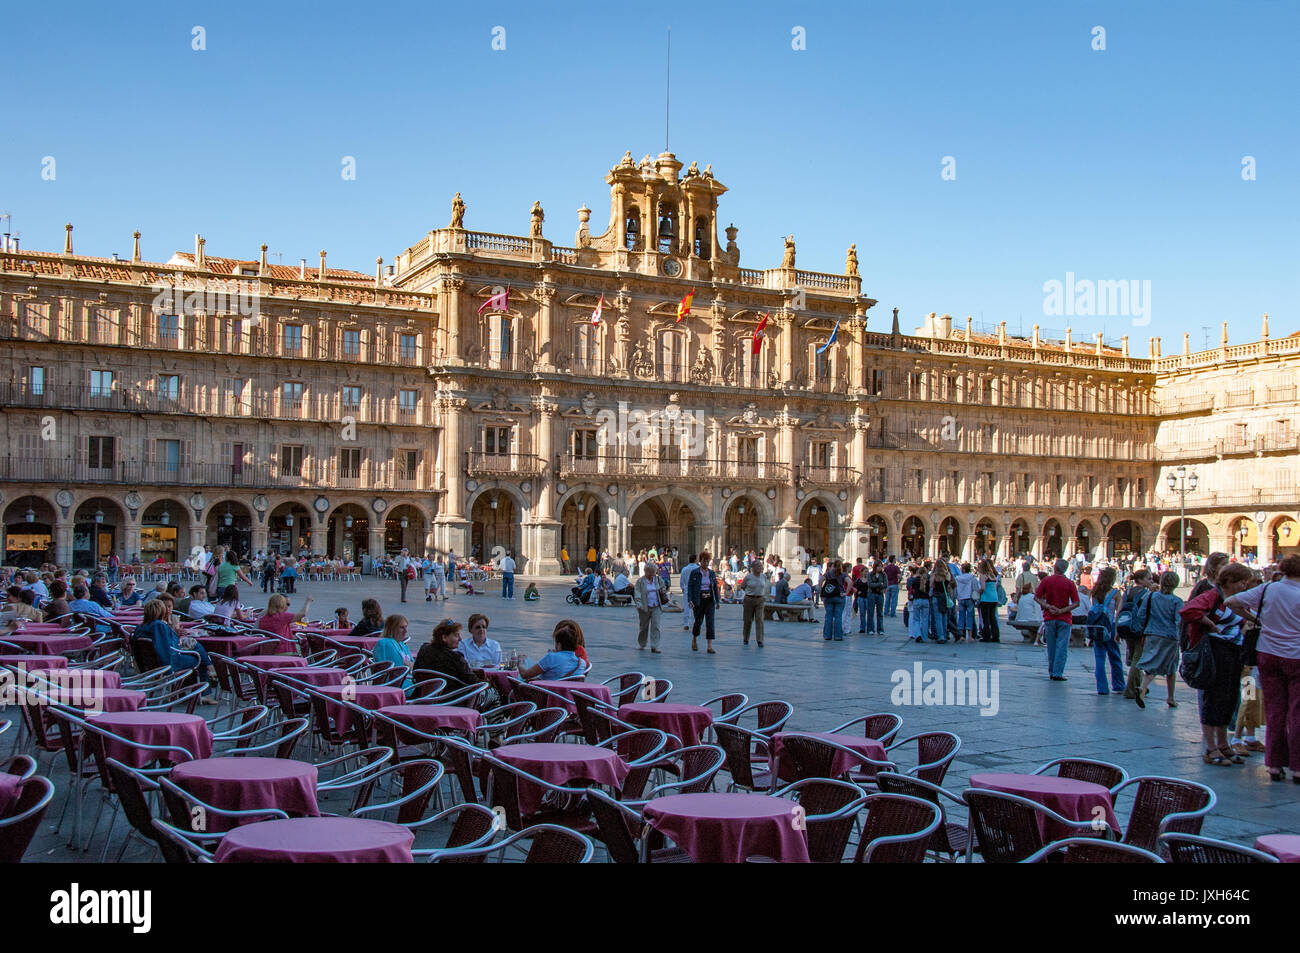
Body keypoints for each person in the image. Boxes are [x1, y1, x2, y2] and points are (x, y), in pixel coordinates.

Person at [1227, 555, 1300, 780]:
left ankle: (1274, 765)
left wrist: (1255, 618)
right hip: (1296, 655)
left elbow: (1231, 602)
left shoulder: (1269, 589)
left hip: (1267, 653)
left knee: (1275, 709)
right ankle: (1297, 767)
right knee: (1296, 711)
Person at [1182, 563, 1255, 767]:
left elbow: (1243, 616)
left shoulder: (1237, 600)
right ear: (1229, 581)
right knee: (1213, 697)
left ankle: (1224, 744)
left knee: (1230, 697)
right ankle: (1211, 747)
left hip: (1234, 651)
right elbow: (1188, 611)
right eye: (1241, 581)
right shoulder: (1213, 596)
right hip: (1215, 651)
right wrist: (1210, 624)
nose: (1244, 585)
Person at [134, 598, 216, 702]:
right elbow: (166, 648)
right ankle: (205, 692)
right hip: (168, 662)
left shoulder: (141, 627)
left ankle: (183, 691)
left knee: (193, 647)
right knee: (197, 658)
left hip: (151, 663)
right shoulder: (159, 625)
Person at [1133, 572, 1184, 709]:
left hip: (1151, 633)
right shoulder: (1177, 601)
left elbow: (1141, 614)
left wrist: (1147, 625)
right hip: (1170, 636)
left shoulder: (1151, 596)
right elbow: (1179, 621)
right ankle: (1169, 697)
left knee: (1152, 662)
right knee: (1170, 666)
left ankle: (1144, 689)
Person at [1036, 559, 1080, 681]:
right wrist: (1062, 610)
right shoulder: (1070, 583)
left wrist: (1048, 606)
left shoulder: (1046, 580)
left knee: (1051, 646)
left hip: (1049, 616)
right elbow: (1076, 603)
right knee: (1062, 646)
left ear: (1054, 567)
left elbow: (1037, 597)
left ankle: (1052, 671)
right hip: (1064, 617)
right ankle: (1058, 672)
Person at [1087, 567, 1125, 695]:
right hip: (1110, 627)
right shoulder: (1115, 593)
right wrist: (1118, 631)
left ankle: (1102, 687)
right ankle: (1118, 684)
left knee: (1099, 658)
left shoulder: (1095, 592)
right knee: (1115, 657)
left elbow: (1094, 608)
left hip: (1097, 627)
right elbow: (1118, 612)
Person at [415, 619, 482, 686]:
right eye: (456, 635)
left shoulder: (424, 649)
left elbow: (415, 673)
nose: (460, 639)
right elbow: (474, 682)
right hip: (454, 695)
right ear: (444, 637)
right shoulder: (455, 657)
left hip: (425, 694)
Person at [519, 620, 589, 681]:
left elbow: (525, 675)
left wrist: (519, 662)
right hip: (567, 693)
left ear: (559, 644)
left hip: (545, 693)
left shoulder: (551, 657)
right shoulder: (582, 663)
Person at [373, 614, 415, 693]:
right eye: (402, 628)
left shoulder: (403, 645)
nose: (406, 631)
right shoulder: (384, 643)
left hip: (408, 682)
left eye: (406, 627)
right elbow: (382, 670)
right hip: (396, 685)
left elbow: (413, 666)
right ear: (392, 629)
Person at [688, 551, 720, 653]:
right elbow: (690, 586)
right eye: (703, 561)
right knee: (698, 621)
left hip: (709, 599)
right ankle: (694, 639)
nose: (705, 563)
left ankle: (709, 646)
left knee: (710, 622)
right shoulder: (695, 572)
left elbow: (715, 587)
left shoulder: (711, 573)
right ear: (700, 561)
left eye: (707, 561)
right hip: (699, 600)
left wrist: (717, 601)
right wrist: (690, 600)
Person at [635, 562, 668, 652]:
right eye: (650, 572)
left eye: (653, 572)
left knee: (656, 626)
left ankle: (655, 646)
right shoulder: (640, 581)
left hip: (656, 605)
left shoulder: (658, 579)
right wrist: (639, 604)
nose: (652, 574)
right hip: (644, 607)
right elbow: (637, 593)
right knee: (643, 627)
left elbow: (663, 587)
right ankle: (642, 644)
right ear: (646, 571)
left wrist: (663, 591)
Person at [739, 560, 767, 648]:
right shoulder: (748, 577)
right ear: (753, 568)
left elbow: (764, 586)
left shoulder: (763, 576)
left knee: (760, 620)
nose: (760, 568)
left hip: (760, 600)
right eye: (758, 566)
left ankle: (760, 640)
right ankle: (746, 638)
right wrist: (750, 592)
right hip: (749, 599)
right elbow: (742, 586)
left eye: (761, 566)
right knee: (748, 620)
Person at [976, 559, 1001, 643]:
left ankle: (986, 636)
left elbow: (983, 587)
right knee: (993, 618)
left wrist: (978, 592)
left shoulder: (983, 575)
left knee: (985, 618)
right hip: (994, 598)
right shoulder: (993, 575)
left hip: (986, 598)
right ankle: (996, 636)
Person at [821, 560, 847, 642]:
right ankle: (838, 636)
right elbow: (850, 582)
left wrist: (820, 591)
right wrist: (846, 592)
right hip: (839, 595)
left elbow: (820, 579)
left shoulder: (828, 573)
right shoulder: (843, 574)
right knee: (838, 616)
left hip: (829, 596)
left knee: (828, 616)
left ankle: (827, 635)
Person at [954, 562, 979, 642]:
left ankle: (961, 635)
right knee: (970, 617)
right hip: (969, 598)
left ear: (963, 570)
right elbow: (976, 588)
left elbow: (955, 589)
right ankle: (970, 636)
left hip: (961, 598)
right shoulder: (972, 577)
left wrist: (956, 597)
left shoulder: (957, 578)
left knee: (961, 617)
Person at [929, 561, 954, 643]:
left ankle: (941, 636)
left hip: (936, 596)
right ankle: (945, 634)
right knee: (944, 617)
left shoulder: (934, 575)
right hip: (944, 596)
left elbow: (931, 585)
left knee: (938, 617)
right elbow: (949, 584)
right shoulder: (947, 574)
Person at [907, 565, 932, 643]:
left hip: (917, 600)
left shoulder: (915, 580)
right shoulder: (928, 581)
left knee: (916, 619)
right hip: (925, 600)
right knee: (925, 620)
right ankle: (924, 637)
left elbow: (912, 589)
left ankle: (918, 634)